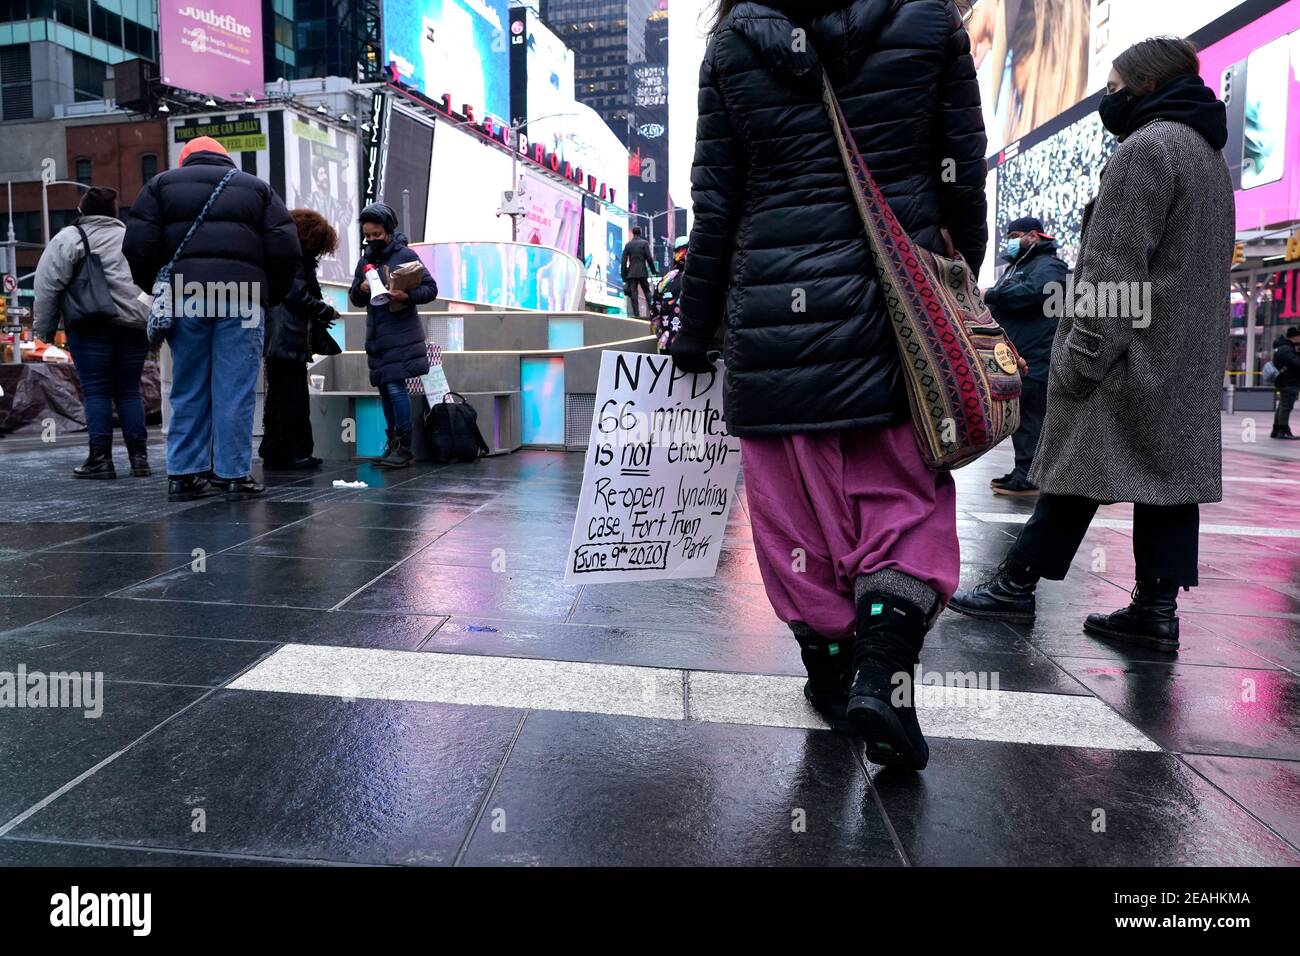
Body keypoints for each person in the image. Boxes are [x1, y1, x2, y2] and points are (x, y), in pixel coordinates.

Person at [671, 0, 988, 770]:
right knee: (901, 503)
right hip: (893, 316)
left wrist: (693, 326)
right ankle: (883, 674)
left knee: (793, 522)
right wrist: (957, 278)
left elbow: (715, 208)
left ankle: (832, 674)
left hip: (773, 322)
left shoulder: (732, 48)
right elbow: (961, 175)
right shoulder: (930, 24)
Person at [950, 37, 1236, 654]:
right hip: (1183, 358)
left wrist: (1080, 358)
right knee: (1168, 483)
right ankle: (1155, 611)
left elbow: (1111, 272)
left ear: (1145, 86)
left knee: (1076, 470)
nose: (1108, 99)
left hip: (1128, 352)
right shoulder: (1207, 157)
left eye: (1113, 88)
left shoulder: (1145, 150)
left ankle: (1016, 583)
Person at [125, 136, 301, 502]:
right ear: (225, 159)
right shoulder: (257, 188)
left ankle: (184, 475)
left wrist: (158, 284)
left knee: (187, 388)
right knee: (235, 390)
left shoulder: (160, 186)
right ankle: (234, 475)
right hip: (242, 298)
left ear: (186, 161)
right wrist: (271, 293)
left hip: (186, 294)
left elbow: (137, 244)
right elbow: (285, 247)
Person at [33, 186, 152, 479]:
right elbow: (154, 280)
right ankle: (139, 459)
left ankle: (100, 459)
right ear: (114, 213)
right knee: (128, 391)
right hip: (134, 327)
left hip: (90, 326)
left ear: (82, 211)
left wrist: (45, 330)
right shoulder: (133, 237)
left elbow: (47, 286)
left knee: (96, 391)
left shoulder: (70, 238)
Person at [349, 202, 438, 468]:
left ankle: (404, 447)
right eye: (368, 236)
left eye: (377, 235)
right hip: (377, 336)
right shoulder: (365, 260)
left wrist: (407, 295)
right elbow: (354, 297)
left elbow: (430, 289)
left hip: (400, 334)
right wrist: (362, 288)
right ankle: (394, 446)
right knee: (385, 390)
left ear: (388, 231)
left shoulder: (405, 255)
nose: (372, 240)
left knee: (394, 387)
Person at [983, 215, 1067, 496]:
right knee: (1022, 416)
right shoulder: (1020, 266)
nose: (1011, 243)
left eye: (1016, 235)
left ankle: (1031, 476)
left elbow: (1036, 292)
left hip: (1037, 356)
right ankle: (1024, 470)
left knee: (1031, 415)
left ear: (1033, 236)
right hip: (1020, 355)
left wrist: (993, 294)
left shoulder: (1049, 266)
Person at [260, 209, 341, 469]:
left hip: (277, 336)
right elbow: (297, 295)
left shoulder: (280, 257)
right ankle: (297, 452)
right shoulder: (296, 262)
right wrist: (325, 310)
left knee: (279, 395)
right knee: (293, 395)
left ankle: (276, 449)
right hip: (289, 336)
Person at [651, 237, 689, 353]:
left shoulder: (666, 279)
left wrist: (660, 334)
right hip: (691, 345)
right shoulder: (699, 279)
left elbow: (654, 313)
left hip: (666, 344)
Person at [1270, 326, 1300, 440]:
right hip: (1289, 382)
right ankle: (1283, 431)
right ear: (1294, 337)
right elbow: (1295, 363)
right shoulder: (1286, 349)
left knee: (1282, 406)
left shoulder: (1282, 347)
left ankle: (1276, 430)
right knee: (1286, 406)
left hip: (1285, 381)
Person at [621, 226, 656, 318]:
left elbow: (623, 261)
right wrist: (654, 271)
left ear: (633, 233)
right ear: (640, 233)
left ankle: (636, 314)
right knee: (647, 292)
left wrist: (623, 275)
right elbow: (649, 258)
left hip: (631, 273)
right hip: (642, 272)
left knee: (634, 294)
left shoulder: (628, 245)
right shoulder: (644, 243)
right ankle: (652, 311)